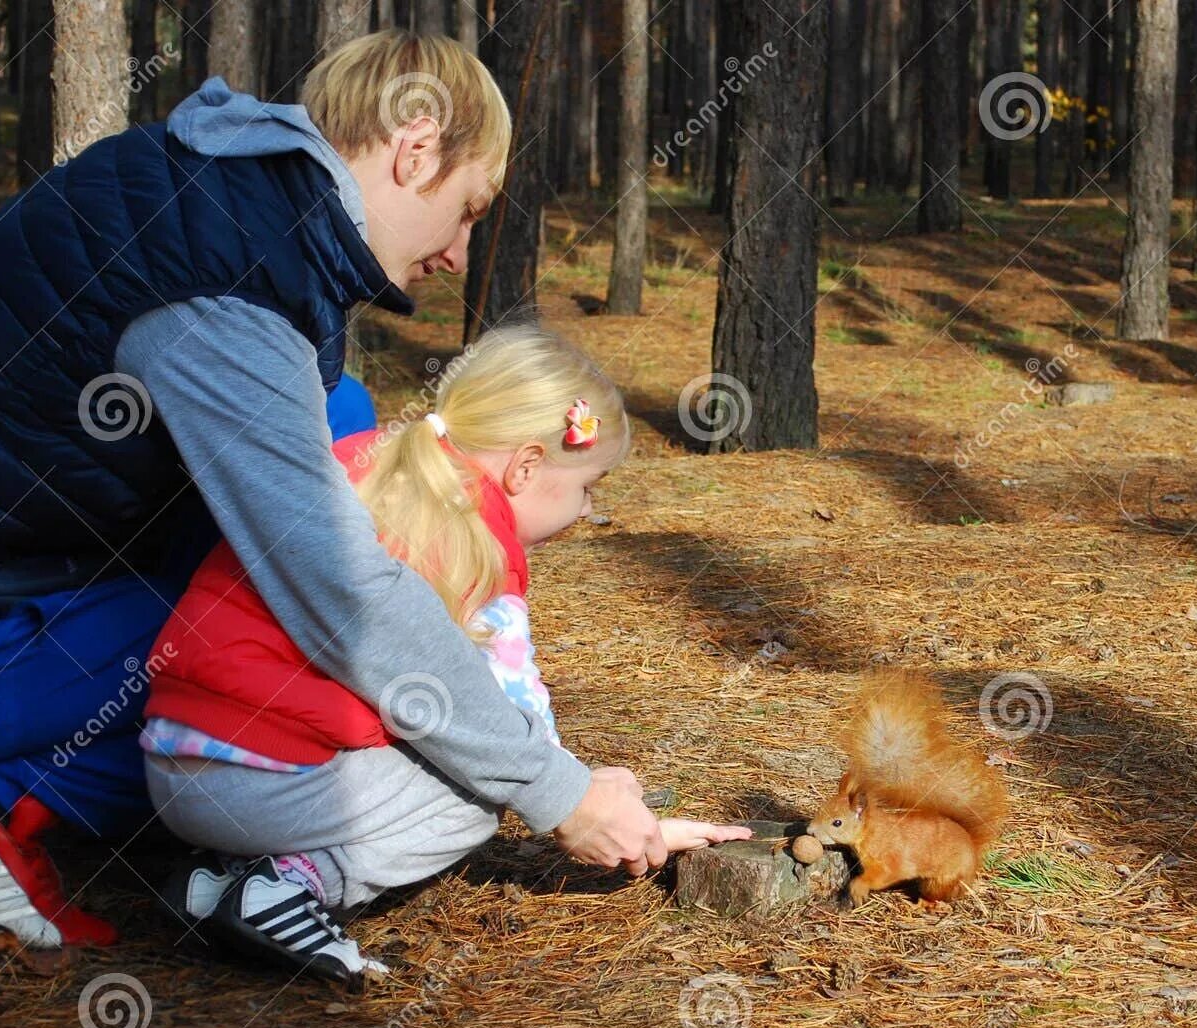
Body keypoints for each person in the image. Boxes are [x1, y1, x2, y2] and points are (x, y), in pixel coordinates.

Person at [0, 31, 668, 951]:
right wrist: (552, 788)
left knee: (339, 417)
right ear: (414, 145)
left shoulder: (233, 204)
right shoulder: (224, 296)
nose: (459, 255)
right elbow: (339, 587)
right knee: (267, 675)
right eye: (467, 211)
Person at [138, 326, 751, 983]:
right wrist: (608, 808)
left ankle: (216, 884)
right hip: (262, 781)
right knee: (475, 792)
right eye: (589, 487)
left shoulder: (365, 459)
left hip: (173, 760)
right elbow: (509, 727)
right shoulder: (476, 542)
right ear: (525, 468)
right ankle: (289, 886)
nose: (588, 510)